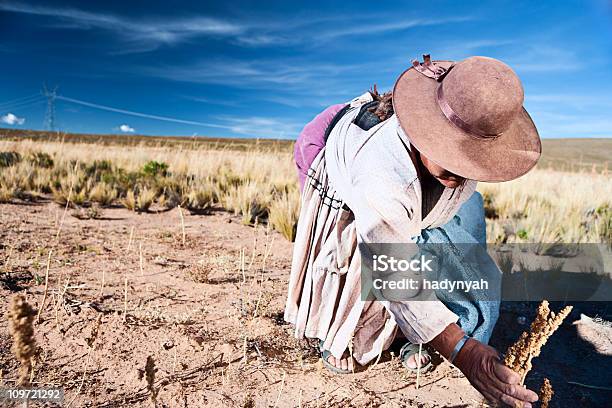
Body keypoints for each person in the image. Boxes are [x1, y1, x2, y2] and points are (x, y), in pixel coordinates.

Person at [285, 55, 542, 407]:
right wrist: (464, 353)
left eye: (471, 156)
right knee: (364, 250)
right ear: (429, 128)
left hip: (402, 182)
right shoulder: (380, 172)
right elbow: (391, 266)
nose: (459, 168)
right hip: (326, 148)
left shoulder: (467, 134)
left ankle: (424, 334)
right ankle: (343, 337)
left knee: (460, 228)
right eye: (451, 150)